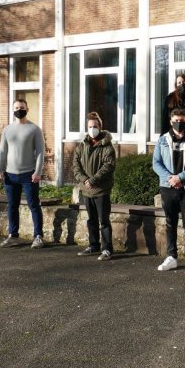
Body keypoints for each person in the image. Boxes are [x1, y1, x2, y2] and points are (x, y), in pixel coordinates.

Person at [153, 108, 185, 273]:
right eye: (176, 120)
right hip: (167, 187)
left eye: (181, 120)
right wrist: (170, 178)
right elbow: (156, 163)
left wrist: (180, 178)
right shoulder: (162, 140)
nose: (178, 123)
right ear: (170, 121)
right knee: (170, 222)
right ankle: (171, 257)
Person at [0, 98, 45, 249]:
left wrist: (38, 172)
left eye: (22, 107)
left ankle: (38, 236)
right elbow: (2, 151)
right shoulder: (7, 130)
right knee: (12, 206)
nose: (19, 110)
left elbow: (40, 152)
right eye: (16, 108)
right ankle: (13, 236)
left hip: (29, 174)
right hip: (10, 175)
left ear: (27, 109)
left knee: (34, 205)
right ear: (13, 110)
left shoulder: (34, 129)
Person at [72, 112, 116, 261]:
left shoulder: (107, 146)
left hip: (101, 190)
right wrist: (85, 180)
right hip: (86, 190)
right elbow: (76, 166)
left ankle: (107, 249)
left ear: (100, 127)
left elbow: (108, 166)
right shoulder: (81, 146)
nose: (92, 129)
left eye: (95, 126)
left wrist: (93, 180)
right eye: (90, 126)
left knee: (104, 221)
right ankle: (93, 245)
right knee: (91, 220)